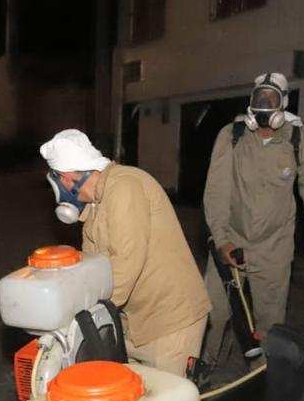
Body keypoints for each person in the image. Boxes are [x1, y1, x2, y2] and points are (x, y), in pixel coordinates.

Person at [39, 129, 210, 377]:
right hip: (136, 321)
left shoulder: (124, 187)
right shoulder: (96, 203)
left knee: (165, 399)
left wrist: (85, 318)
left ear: (65, 178)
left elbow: (126, 265)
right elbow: (95, 268)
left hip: (170, 321)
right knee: (132, 395)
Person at [201, 72, 304, 367]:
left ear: (282, 104)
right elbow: (217, 191)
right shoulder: (232, 136)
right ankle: (206, 366)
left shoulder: (296, 141)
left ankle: (261, 375)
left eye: (271, 98)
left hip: (274, 248)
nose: (264, 104)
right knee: (213, 314)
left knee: (270, 323)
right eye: (259, 97)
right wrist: (221, 240)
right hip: (231, 239)